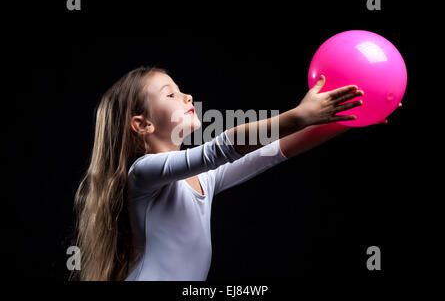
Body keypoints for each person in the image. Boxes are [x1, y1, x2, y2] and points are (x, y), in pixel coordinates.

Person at [71, 66, 401, 280]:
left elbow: (277, 150)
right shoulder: (142, 174)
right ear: (143, 125)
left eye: (180, 88)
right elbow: (223, 147)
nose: (186, 96)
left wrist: (350, 118)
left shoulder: (205, 178)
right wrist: (298, 115)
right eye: (170, 94)